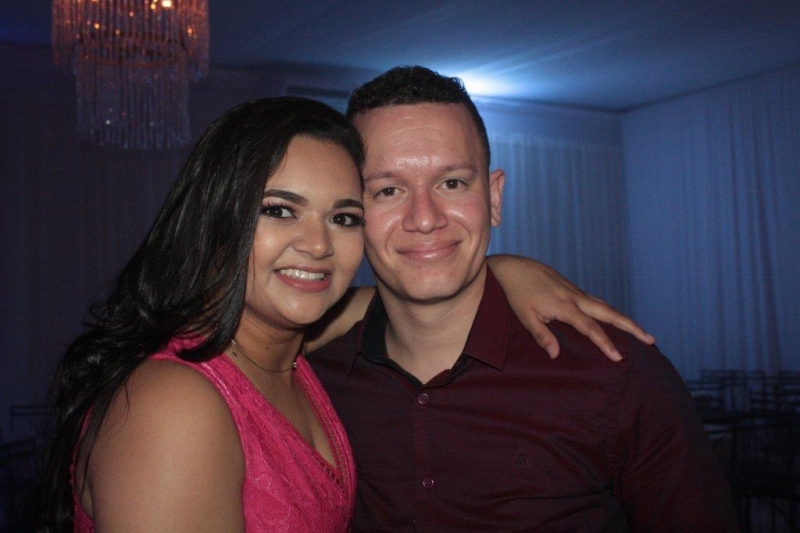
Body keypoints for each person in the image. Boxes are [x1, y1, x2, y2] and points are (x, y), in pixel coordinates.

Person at [32, 96, 650, 532]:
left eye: (344, 217)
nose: (318, 244)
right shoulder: (174, 403)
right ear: (217, 219)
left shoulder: (293, 352)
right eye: (280, 210)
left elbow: (407, 297)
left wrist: (501, 268)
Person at [307, 66, 738, 531]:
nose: (425, 218)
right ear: (352, 213)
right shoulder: (311, 382)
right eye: (388, 190)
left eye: (452, 183)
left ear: (494, 198)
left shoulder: (614, 373)